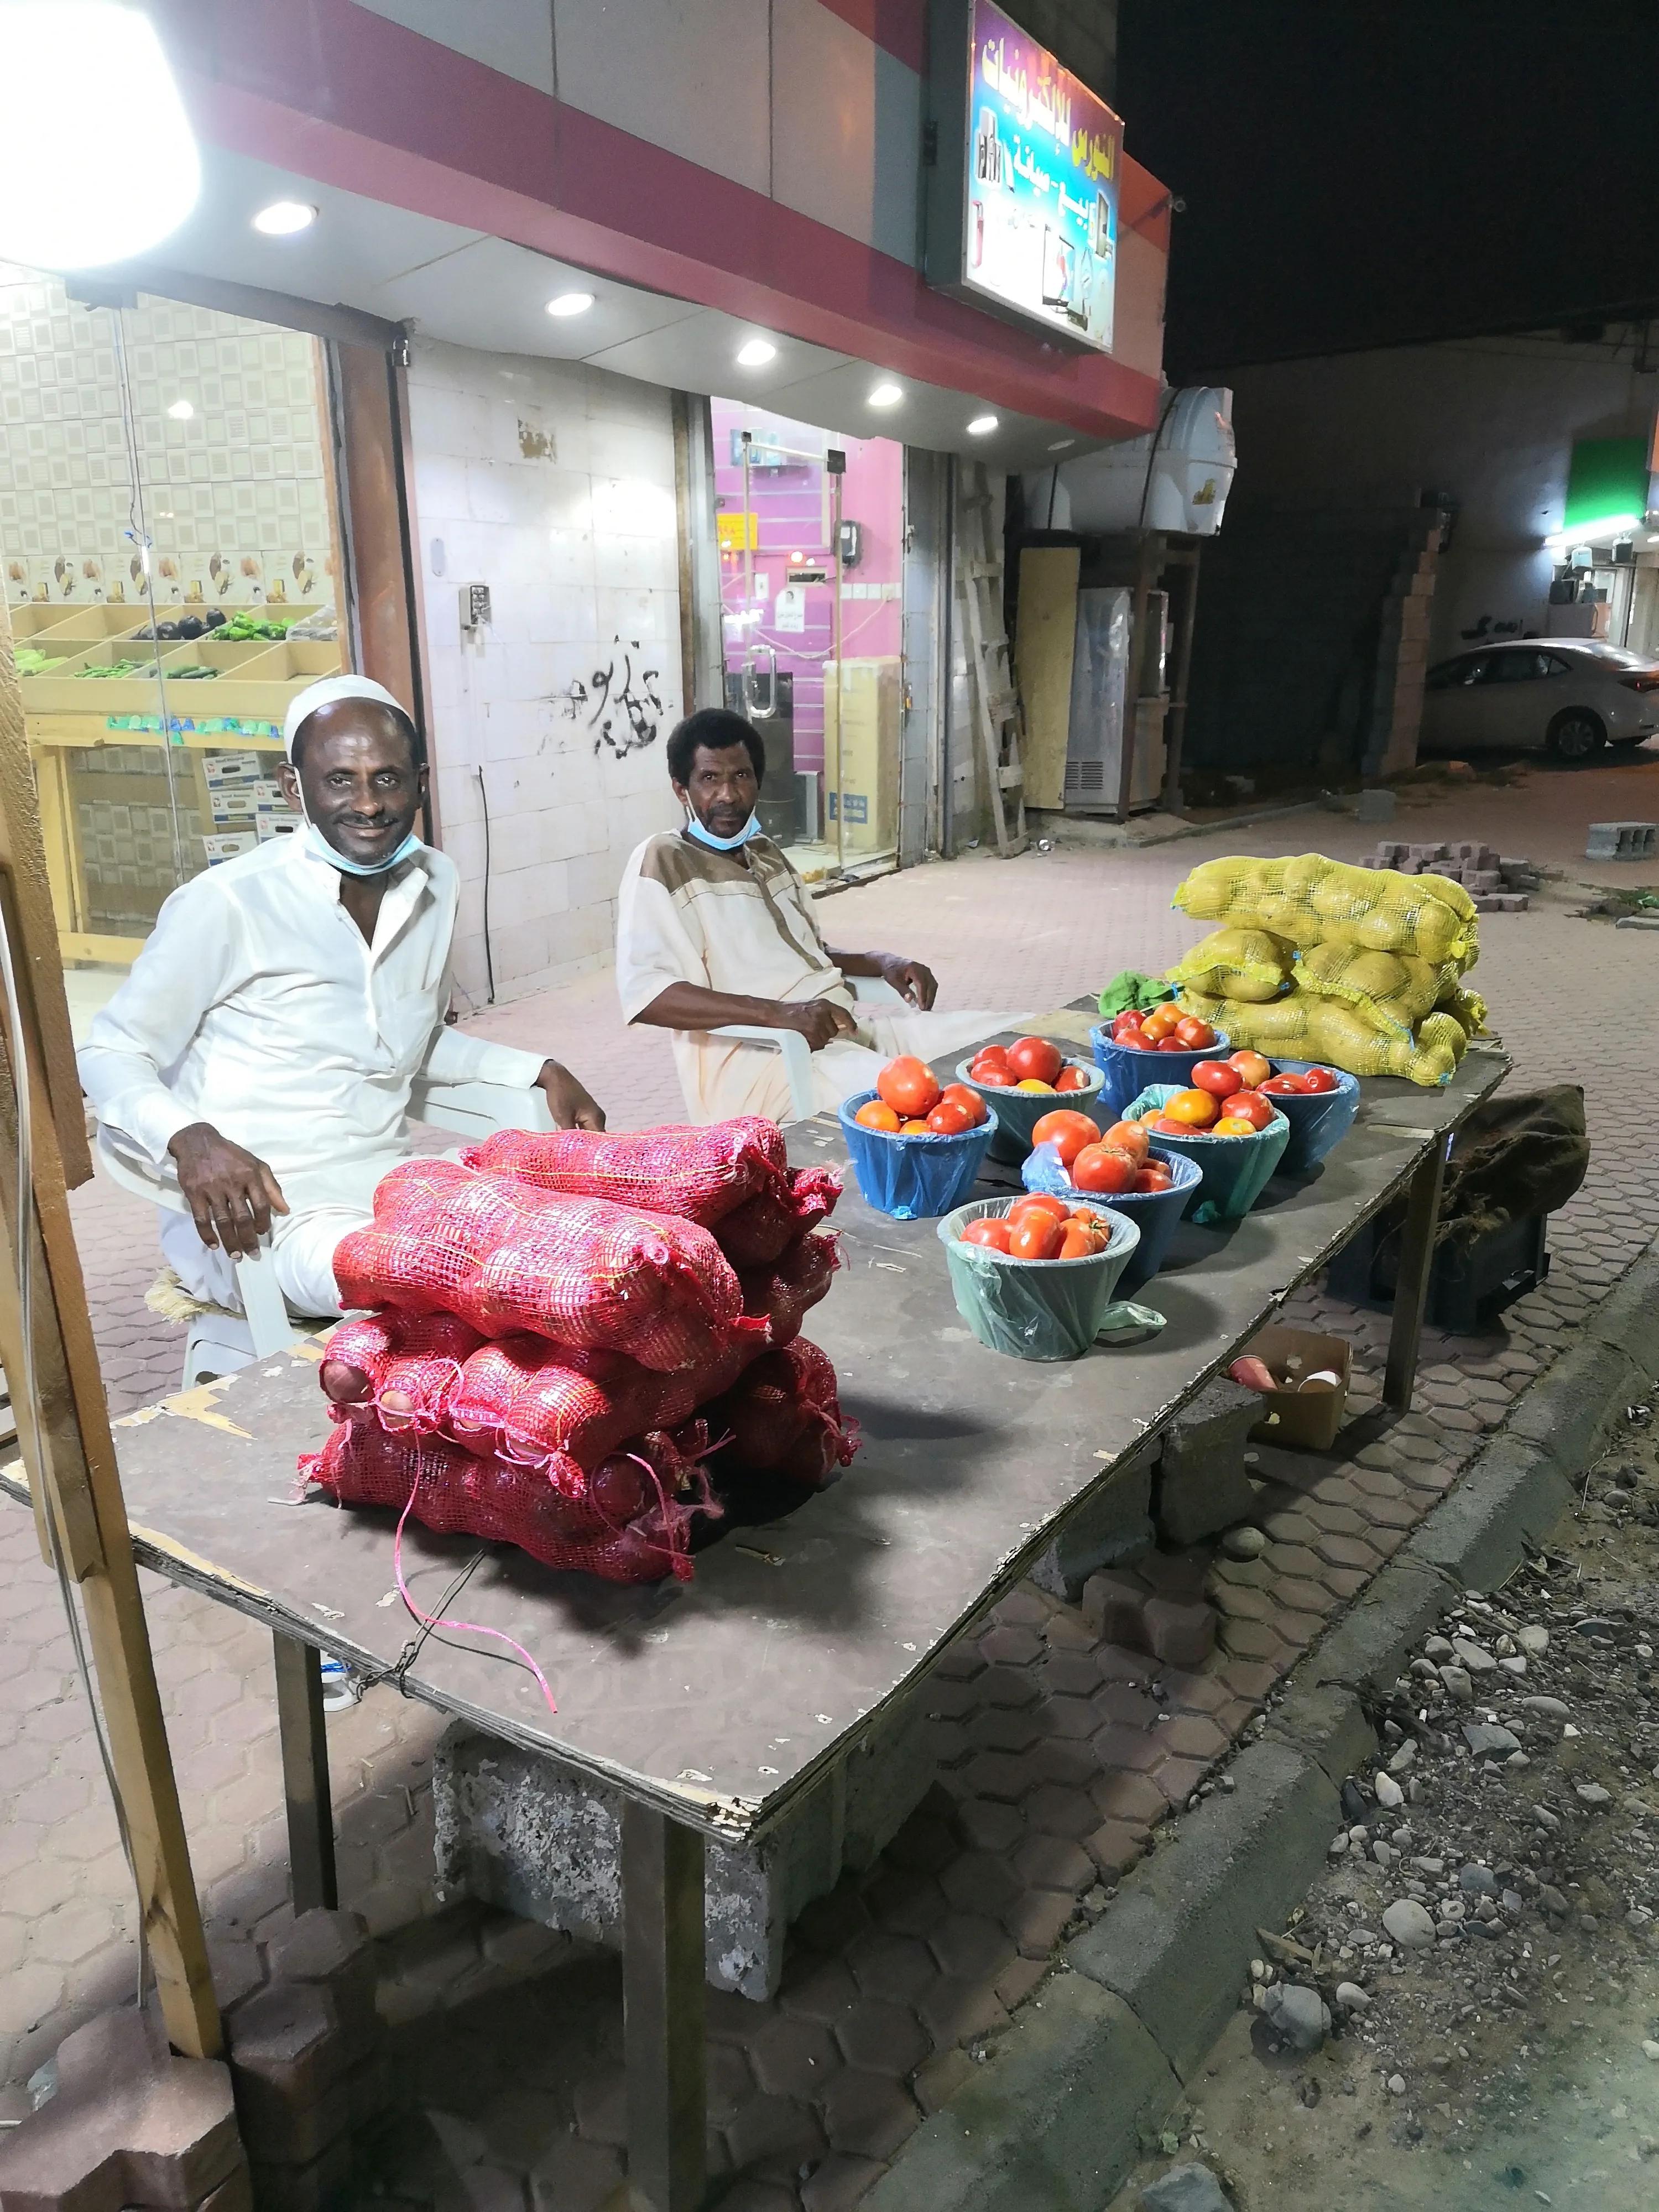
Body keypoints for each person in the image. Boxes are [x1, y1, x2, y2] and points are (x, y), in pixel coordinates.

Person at [80, 674, 603, 1321]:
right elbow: (110, 1051)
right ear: (293, 786)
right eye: (339, 780)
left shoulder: (434, 883)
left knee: (579, 1246)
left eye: (387, 779)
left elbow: (406, 1037)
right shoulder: (228, 903)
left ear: (420, 780)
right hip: (261, 1216)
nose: (368, 804)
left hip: (390, 1190)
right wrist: (191, 1139)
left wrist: (537, 1069)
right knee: (464, 1279)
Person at [615, 707, 1000, 1123]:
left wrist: (879, 961)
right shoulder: (663, 860)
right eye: (710, 779)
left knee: (1007, 1045)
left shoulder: (764, 853)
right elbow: (649, 995)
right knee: (933, 1103)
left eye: (741, 776)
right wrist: (779, 1014)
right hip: (767, 1065)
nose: (727, 794)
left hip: (848, 1035)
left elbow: (806, 951)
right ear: (681, 790)